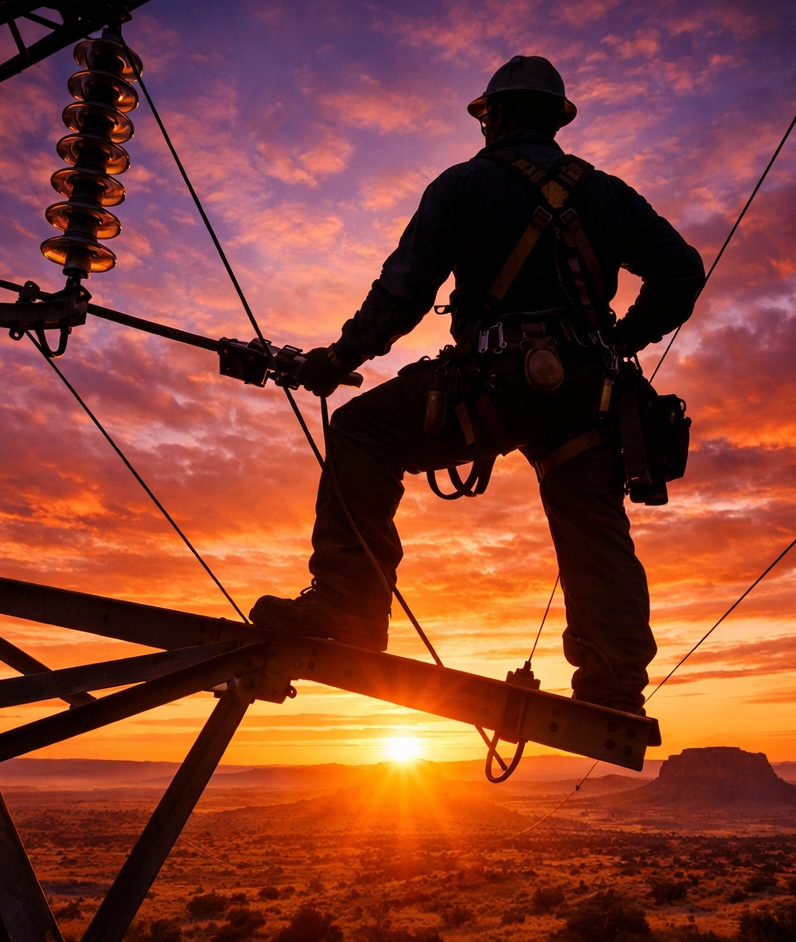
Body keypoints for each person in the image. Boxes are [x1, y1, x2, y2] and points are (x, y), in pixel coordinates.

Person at [250, 56, 704, 715]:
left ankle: (349, 607)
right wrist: (621, 341)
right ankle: (614, 684)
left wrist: (337, 357)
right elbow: (680, 272)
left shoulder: (465, 186)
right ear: (555, 120)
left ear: (492, 118)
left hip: (495, 385)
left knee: (362, 431)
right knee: (594, 528)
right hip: (586, 397)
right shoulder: (606, 195)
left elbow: (402, 293)